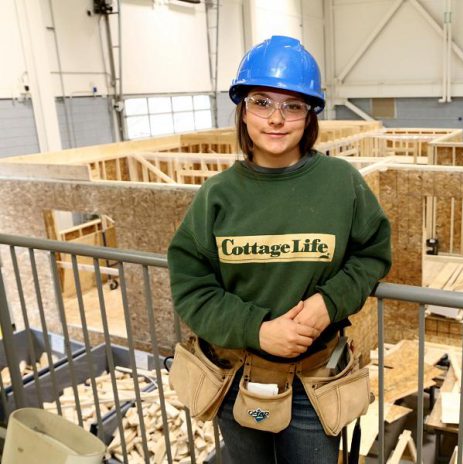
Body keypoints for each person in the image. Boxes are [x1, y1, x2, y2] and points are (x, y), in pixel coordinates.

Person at [167, 35, 392, 464]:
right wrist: (259, 330)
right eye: (261, 102)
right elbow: (193, 288)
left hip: (314, 380)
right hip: (235, 376)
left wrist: (330, 302)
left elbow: (373, 254)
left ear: (310, 115)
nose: (276, 118)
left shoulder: (341, 184)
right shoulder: (217, 196)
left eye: (292, 105)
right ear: (243, 110)